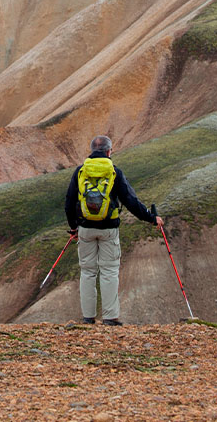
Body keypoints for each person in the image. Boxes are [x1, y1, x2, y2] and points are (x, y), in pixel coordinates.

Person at [64, 135, 162, 326]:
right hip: (109, 229)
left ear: (91, 151)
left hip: (85, 228)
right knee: (109, 271)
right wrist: (151, 218)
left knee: (87, 271)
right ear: (109, 151)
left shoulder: (80, 171)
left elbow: (69, 202)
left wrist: (74, 227)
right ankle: (110, 318)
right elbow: (131, 201)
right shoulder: (114, 172)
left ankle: (88, 317)